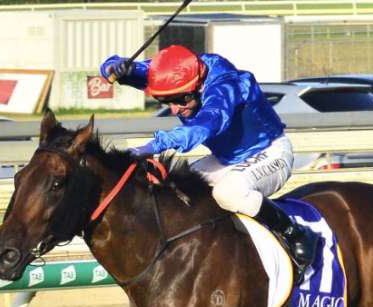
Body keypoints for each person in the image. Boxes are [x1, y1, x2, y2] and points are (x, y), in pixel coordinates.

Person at [100, 44, 318, 280]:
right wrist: (118, 68)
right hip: (226, 160)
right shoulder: (179, 71)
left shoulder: (225, 85)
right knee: (176, 190)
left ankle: (295, 233)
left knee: (228, 193)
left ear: (197, 88)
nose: (174, 109)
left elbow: (204, 126)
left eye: (178, 101)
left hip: (270, 151)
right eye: (166, 102)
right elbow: (126, 69)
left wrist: (152, 146)